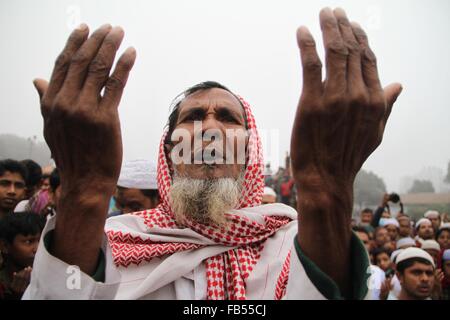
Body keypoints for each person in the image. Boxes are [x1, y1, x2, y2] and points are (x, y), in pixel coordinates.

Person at [25, 7, 402, 300]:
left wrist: (327, 196)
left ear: (248, 153)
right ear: (169, 150)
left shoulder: (295, 242)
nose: (209, 128)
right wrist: (84, 196)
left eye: (227, 118)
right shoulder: (111, 241)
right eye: (192, 117)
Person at [0, 212, 45, 300]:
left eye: (40, 241)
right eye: (29, 242)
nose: (37, 249)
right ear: (5, 246)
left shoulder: (47, 277)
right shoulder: (2, 285)